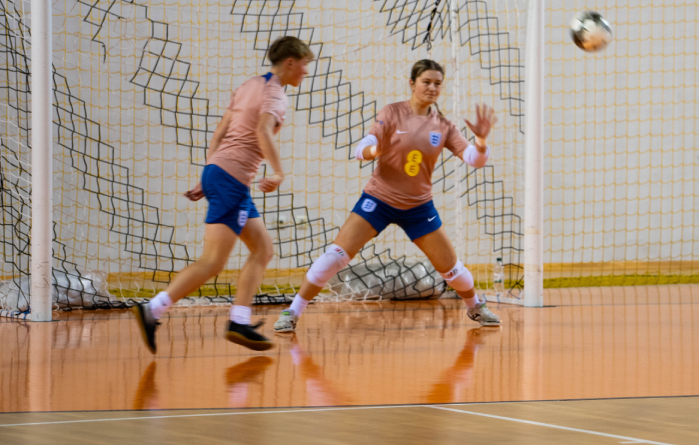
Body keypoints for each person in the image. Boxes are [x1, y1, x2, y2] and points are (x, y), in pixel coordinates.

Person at [273, 59, 501, 332]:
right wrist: (375, 150)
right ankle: (292, 311)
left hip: (418, 207)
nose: (432, 88)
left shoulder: (443, 125)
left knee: (452, 271)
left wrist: (481, 140)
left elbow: (474, 159)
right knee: (333, 257)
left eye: (437, 83)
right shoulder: (392, 113)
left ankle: (475, 306)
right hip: (378, 201)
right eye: (426, 82)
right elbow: (362, 148)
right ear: (412, 84)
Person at [131, 36, 314, 354]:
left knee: (263, 248)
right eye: (305, 65)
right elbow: (261, 131)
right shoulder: (275, 94)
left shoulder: (249, 86)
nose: (306, 72)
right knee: (213, 261)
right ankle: (153, 310)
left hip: (222, 174)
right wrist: (278, 172)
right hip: (231, 180)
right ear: (290, 62)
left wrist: (208, 173)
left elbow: (220, 131)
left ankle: (239, 321)